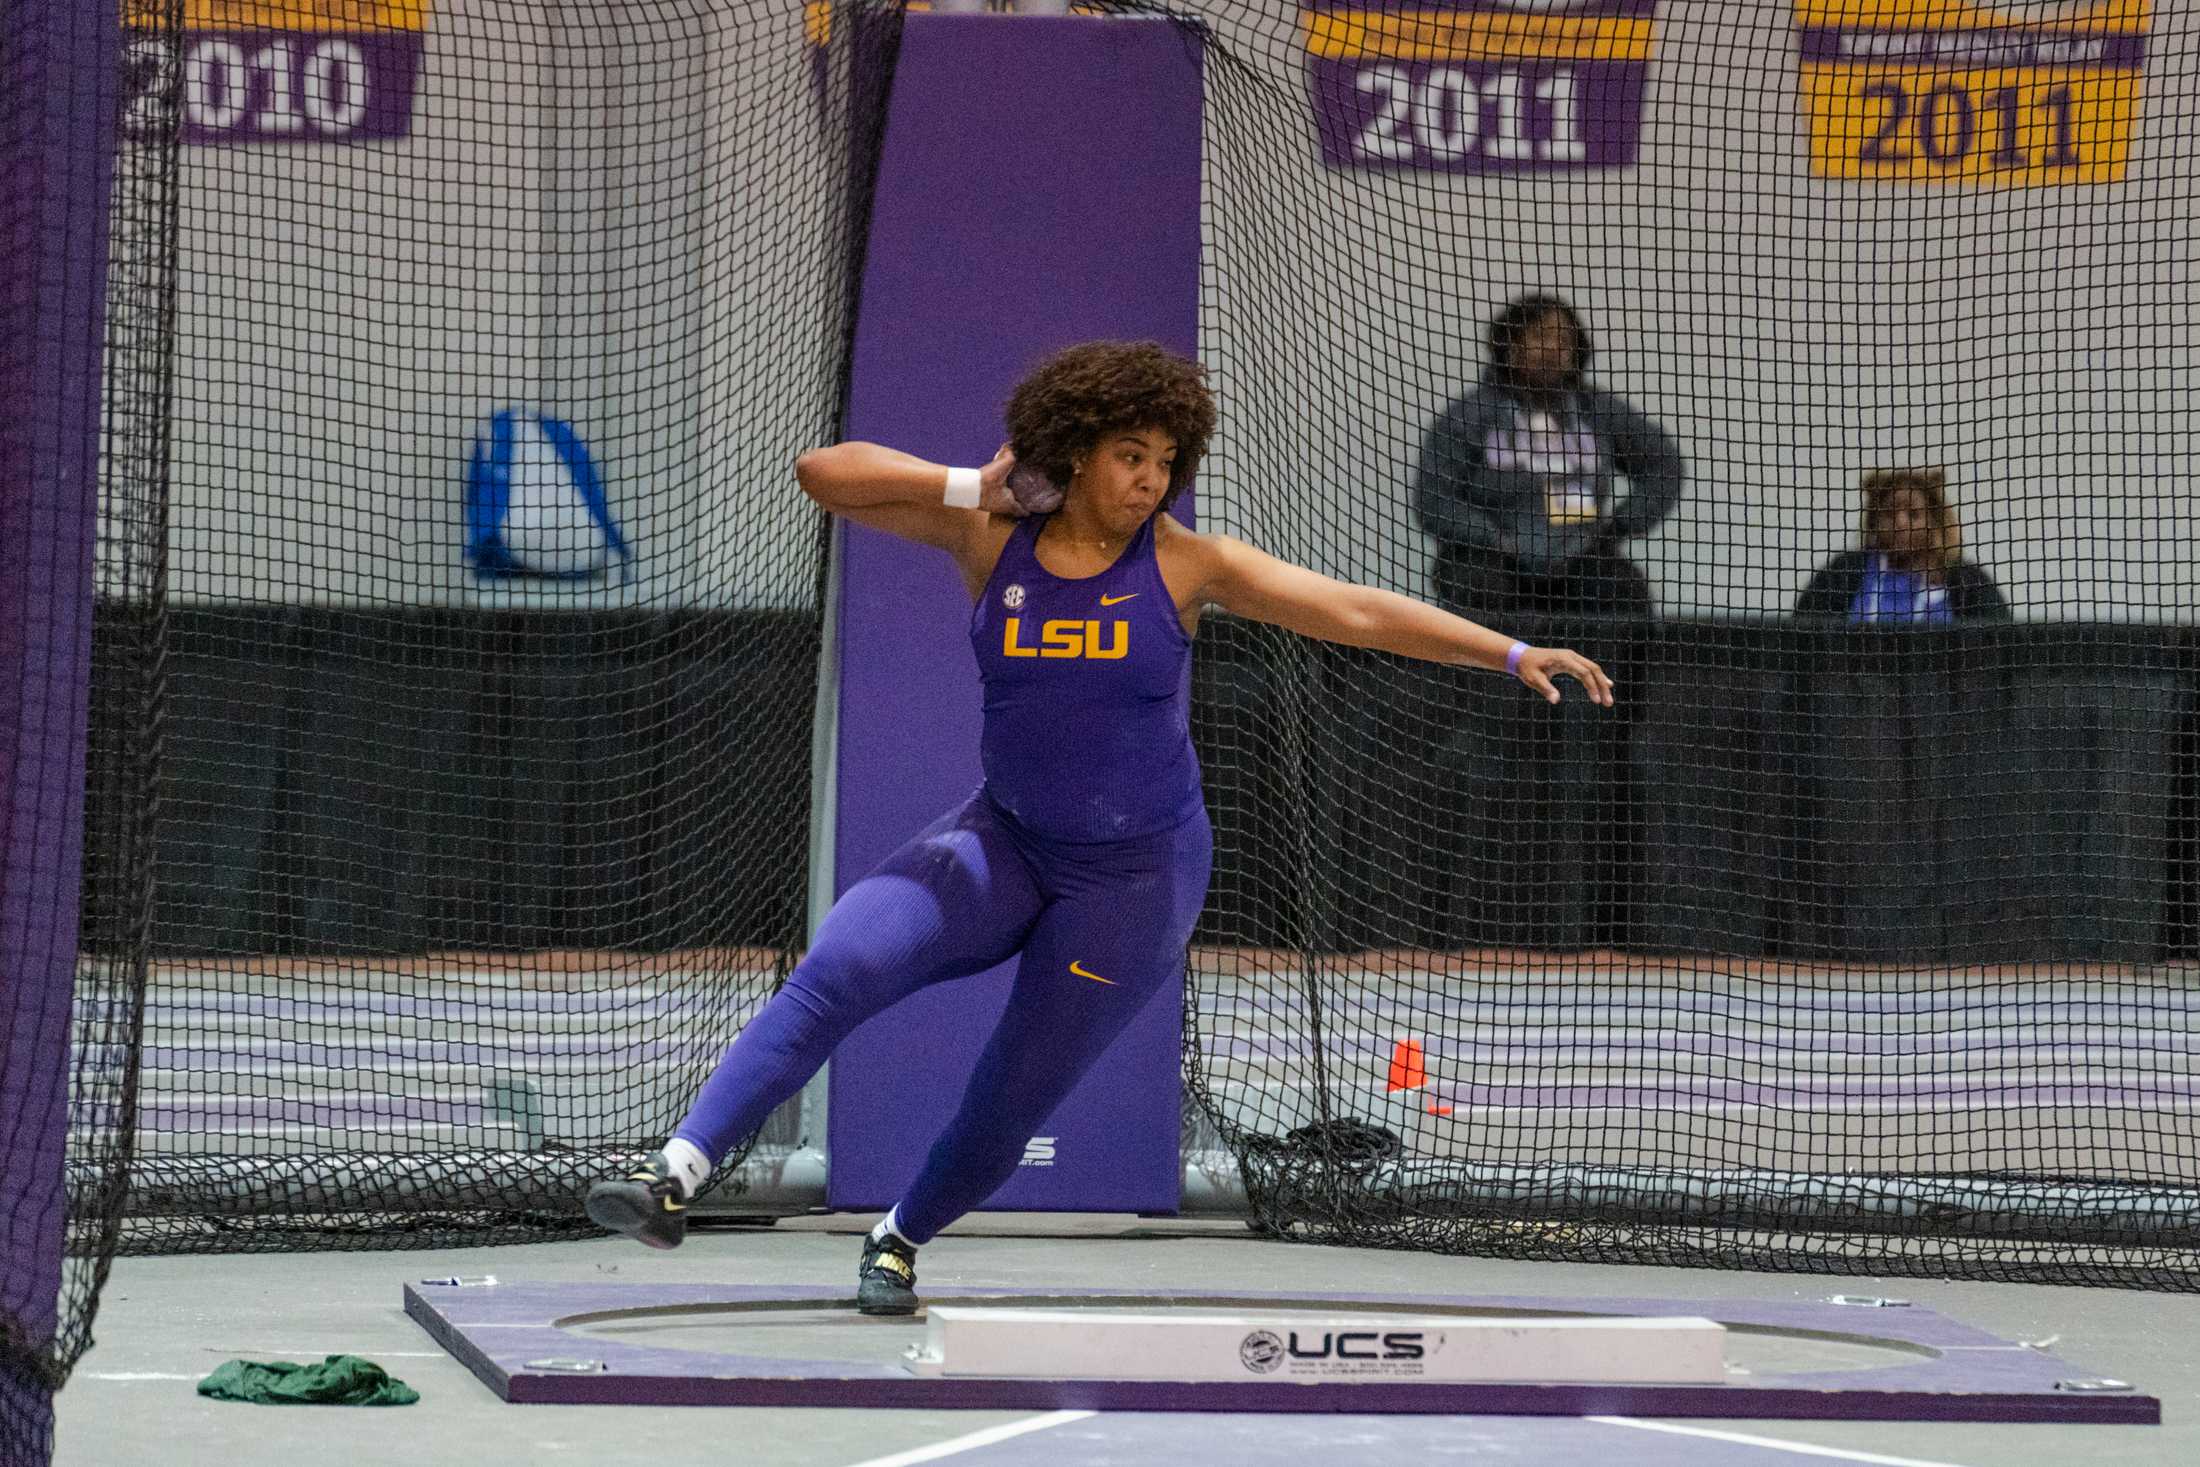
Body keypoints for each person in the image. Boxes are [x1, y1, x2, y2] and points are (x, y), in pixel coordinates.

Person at [584, 340, 1613, 1314]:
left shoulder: (1187, 565)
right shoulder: (990, 535)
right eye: (1130, 455)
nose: (1150, 479)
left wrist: (1513, 653)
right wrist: (966, 486)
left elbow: (1351, 609)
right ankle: (673, 1176)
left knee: (1011, 1091)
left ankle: (898, 1239)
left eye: (1166, 459)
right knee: (839, 966)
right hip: (1003, 844)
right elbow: (823, 473)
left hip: (1133, 882)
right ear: (1070, 453)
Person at [1413, 294, 1684, 620]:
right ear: (1510, 347)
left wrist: (1621, 524)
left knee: (1626, 600)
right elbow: (1433, 500)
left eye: (1565, 339)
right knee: (1477, 590)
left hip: (1581, 555)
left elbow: (1664, 464)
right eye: (1541, 336)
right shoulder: (1469, 416)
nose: (1555, 348)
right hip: (1489, 557)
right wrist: (1493, 538)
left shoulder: (1596, 410)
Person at [1794, 467, 2009, 623]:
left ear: (1935, 522)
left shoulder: (1968, 582)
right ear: (1874, 522)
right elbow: (1803, 637)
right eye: (1889, 513)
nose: (1900, 522)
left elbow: (1999, 644)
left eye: (1913, 514)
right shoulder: (1842, 573)